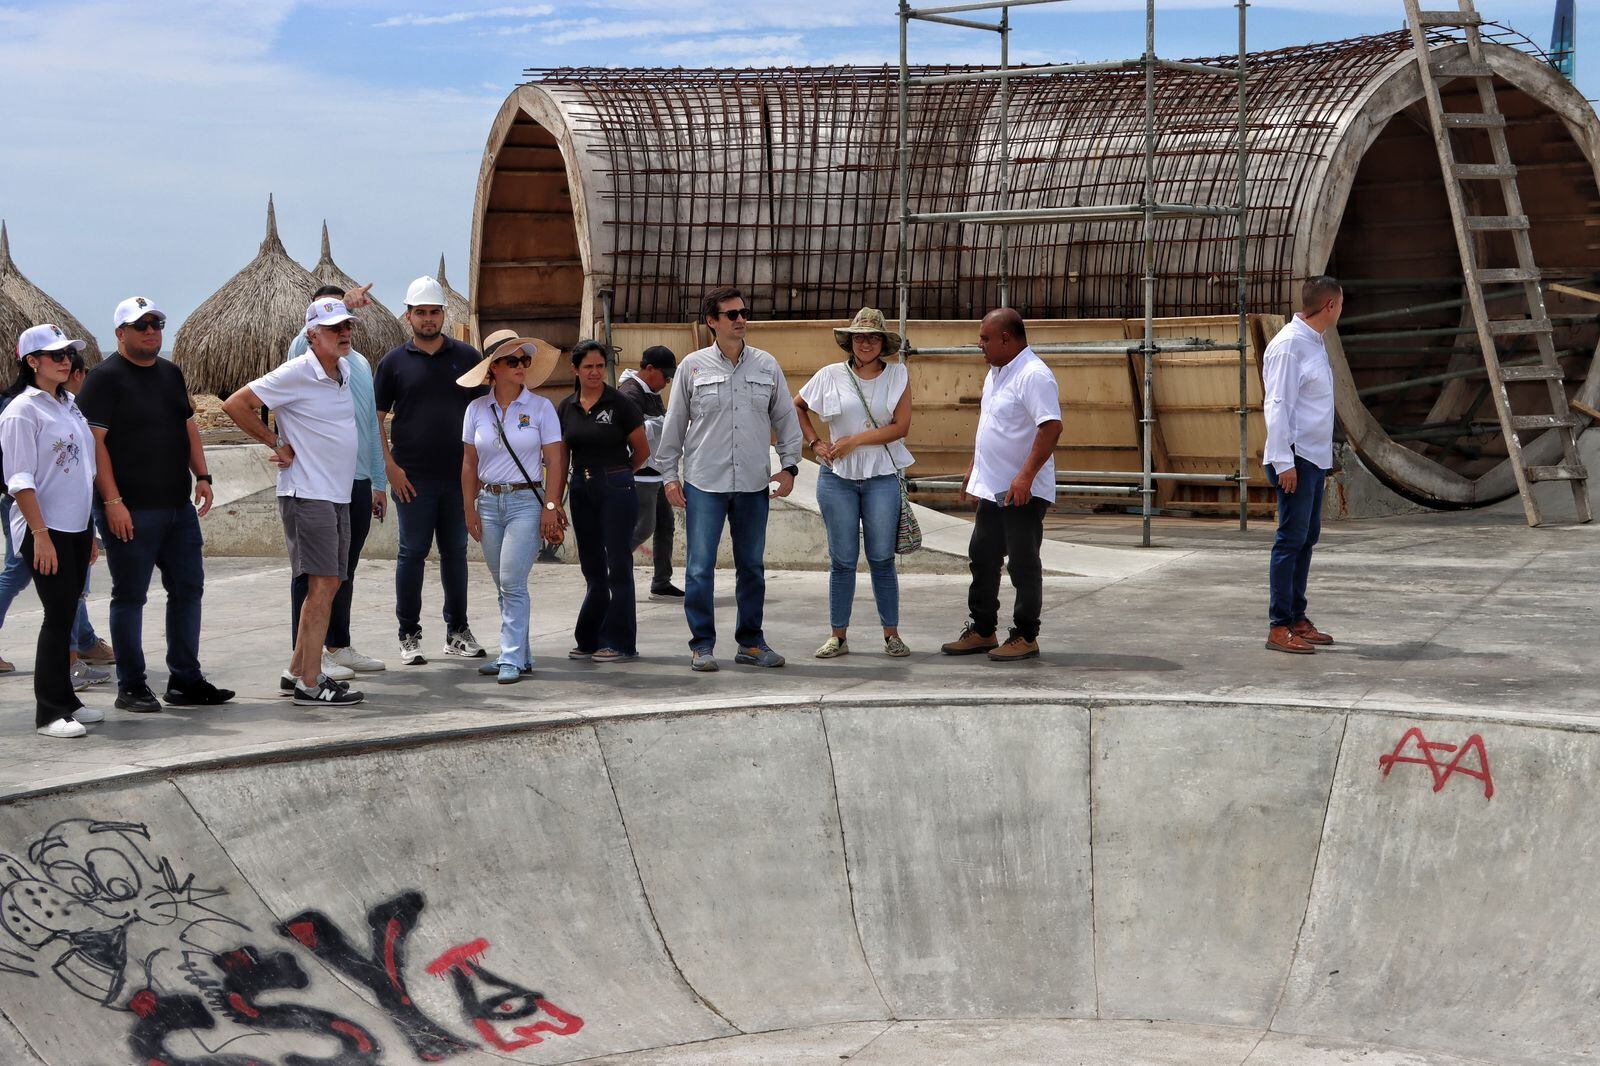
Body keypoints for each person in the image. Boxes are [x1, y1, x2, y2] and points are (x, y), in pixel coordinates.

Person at [77, 297, 232, 712]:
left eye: (156, 322)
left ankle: (185, 679)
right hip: (130, 509)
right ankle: (131, 686)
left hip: (177, 508)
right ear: (120, 333)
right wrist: (111, 502)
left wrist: (203, 475)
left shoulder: (170, 373)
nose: (150, 330)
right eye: (140, 324)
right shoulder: (103, 379)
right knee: (130, 597)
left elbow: (188, 426)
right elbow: (95, 445)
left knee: (188, 590)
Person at [222, 298, 364, 706]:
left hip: (334, 493)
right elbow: (235, 404)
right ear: (312, 336)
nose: (344, 332)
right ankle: (310, 681)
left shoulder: (344, 367)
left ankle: (297, 668)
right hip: (308, 493)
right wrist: (275, 443)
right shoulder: (297, 371)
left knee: (331, 581)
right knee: (321, 585)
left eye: (346, 325)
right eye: (335, 328)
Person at [655, 287, 803, 672]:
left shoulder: (767, 366)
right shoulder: (693, 366)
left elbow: (786, 419)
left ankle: (751, 643)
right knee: (700, 568)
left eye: (743, 312)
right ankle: (702, 645)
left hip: (754, 484)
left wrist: (789, 467)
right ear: (712, 322)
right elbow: (673, 427)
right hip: (705, 483)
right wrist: (669, 476)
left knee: (751, 567)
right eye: (731, 314)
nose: (741, 319)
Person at [373, 275, 486, 665]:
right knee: (412, 553)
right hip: (412, 478)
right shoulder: (392, 363)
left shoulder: (468, 358)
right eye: (420, 312)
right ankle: (409, 634)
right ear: (408, 316)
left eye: (434, 312)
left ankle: (457, 632)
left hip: (459, 477)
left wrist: (481, 470)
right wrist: (390, 467)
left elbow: (484, 415)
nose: (427, 318)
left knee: (455, 553)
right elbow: (376, 419)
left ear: (443, 314)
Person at [940, 308, 1062, 663]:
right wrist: (973, 470)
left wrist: (1024, 477)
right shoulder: (995, 373)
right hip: (993, 488)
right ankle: (982, 629)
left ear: (1006, 339)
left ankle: (1025, 635)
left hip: (1022, 490)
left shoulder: (1033, 375)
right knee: (982, 556)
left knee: (1023, 564)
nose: (979, 344)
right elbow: (992, 427)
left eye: (985, 338)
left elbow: (1050, 427)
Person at [795, 307, 914, 659]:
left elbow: (901, 427)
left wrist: (855, 441)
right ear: (849, 341)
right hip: (837, 478)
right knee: (842, 560)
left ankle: (891, 634)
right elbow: (797, 406)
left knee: (881, 558)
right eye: (860, 336)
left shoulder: (898, 375)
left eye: (873, 337)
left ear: (883, 343)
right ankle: (838, 635)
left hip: (881, 476)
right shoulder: (830, 374)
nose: (866, 342)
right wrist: (815, 443)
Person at [283, 283, 388, 680]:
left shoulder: (356, 365)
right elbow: (302, 339)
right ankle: (308, 658)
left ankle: (337, 645)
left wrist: (378, 480)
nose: (341, 327)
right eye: (332, 319)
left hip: (357, 480)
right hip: (317, 482)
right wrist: (340, 304)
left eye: (345, 320)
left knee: (344, 569)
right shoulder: (304, 357)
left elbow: (370, 426)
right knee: (311, 574)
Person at [0, 325, 100, 737]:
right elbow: (19, 478)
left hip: (75, 526)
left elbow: (83, 471)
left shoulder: (70, 405)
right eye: (55, 354)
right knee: (57, 616)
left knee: (67, 610)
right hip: (45, 528)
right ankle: (49, 711)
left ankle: (69, 702)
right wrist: (39, 534)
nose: (65, 360)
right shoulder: (22, 410)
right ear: (32, 362)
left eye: (68, 355)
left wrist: (90, 530)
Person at [458, 332, 566, 683]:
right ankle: (521, 653)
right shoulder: (476, 409)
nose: (521, 366)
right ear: (493, 368)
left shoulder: (541, 408)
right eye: (512, 361)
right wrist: (469, 508)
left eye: (525, 360)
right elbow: (469, 464)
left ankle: (509, 657)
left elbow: (555, 459)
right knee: (503, 582)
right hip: (488, 501)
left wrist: (551, 505)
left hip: (526, 501)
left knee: (511, 582)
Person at [1261, 275, 1343, 654]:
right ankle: (1279, 625)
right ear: (1330, 306)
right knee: (1290, 540)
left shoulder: (1314, 342)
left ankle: (1297, 615)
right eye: (1340, 304)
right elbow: (1278, 405)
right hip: (1294, 457)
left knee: (1306, 538)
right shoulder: (1291, 346)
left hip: (1312, 457)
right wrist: (1283, 462)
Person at [559, 340, 649, 663]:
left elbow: (642, 451)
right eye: (588, 367)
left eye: (599, 366)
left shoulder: (620, 404)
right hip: (581, 489)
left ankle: (620, 641)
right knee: (592, 567)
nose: (595, 372)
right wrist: (554, 503)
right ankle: (590, 637)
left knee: (618, 566)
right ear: (576, 369)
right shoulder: (566, 407)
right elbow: (561, 456)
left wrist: (620, 475)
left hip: (616, 486)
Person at [617, 345, 683, 601]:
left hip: (656, 471)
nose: (666, 382)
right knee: (644, 527)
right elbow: (634, 432)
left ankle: (661, 581)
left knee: (665, 527)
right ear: (649, 369)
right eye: (664, 376)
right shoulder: (629, 393)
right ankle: (612, 568)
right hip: (639, 472)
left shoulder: (650, 392)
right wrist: (665, 423)